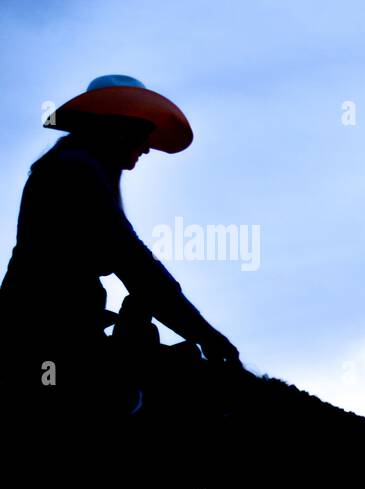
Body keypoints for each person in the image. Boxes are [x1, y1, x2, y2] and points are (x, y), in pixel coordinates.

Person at [0, 74, 240, 424]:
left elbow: (132, 263)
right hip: (45, 333)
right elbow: (134, 263)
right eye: (142, 135)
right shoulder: (75, 171)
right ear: (116, 127)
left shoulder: (78, 166)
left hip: (59, 322)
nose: (146, 148)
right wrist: (205, 334)